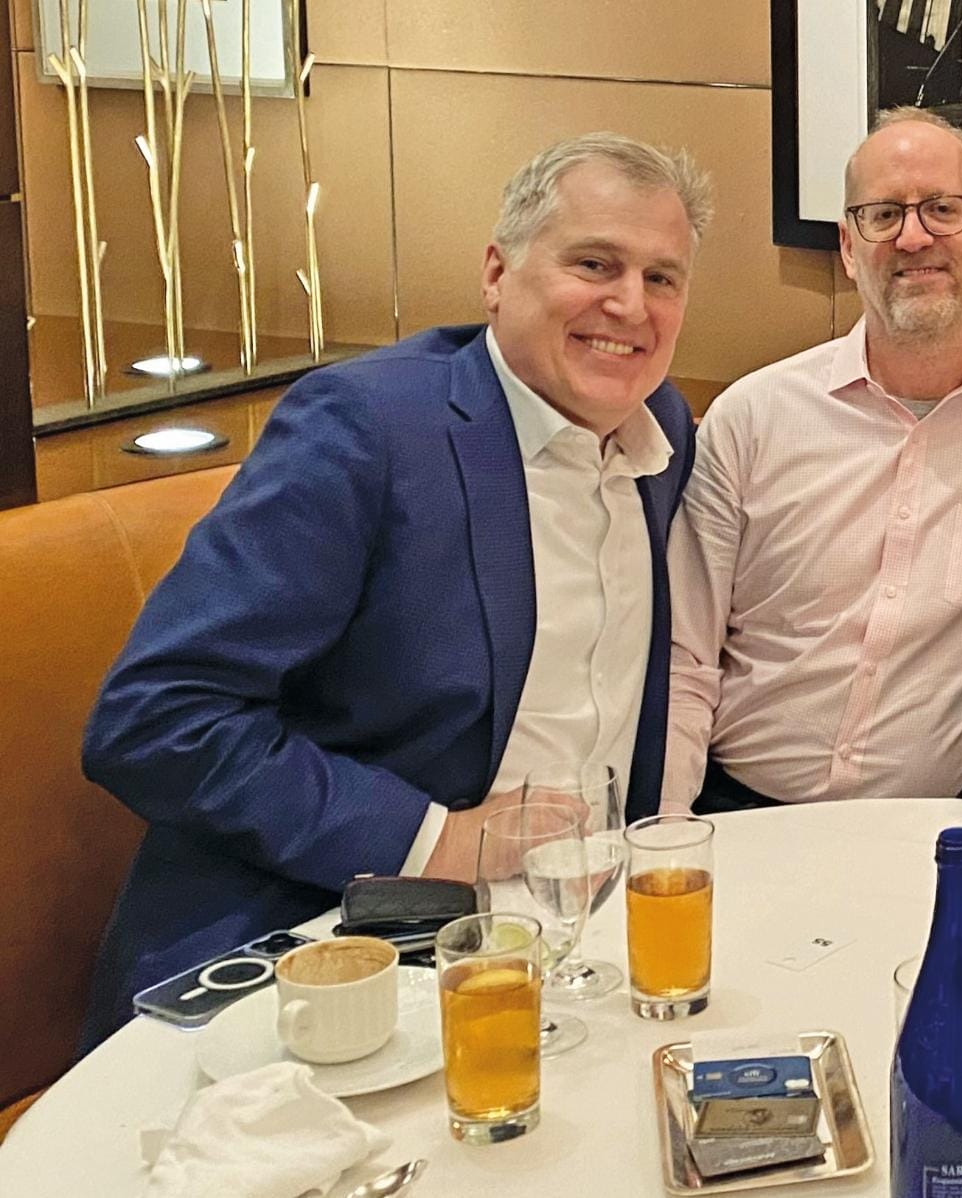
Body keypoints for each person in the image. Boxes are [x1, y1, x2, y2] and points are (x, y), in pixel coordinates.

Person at [76, 133, 710, 1049]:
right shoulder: (370, 430)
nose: (629, 305)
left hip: (570, 959)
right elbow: (155, 719)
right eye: (595, 263)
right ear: (498, 272)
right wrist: (432, 842)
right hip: (325, 955)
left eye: (663, 278)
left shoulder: (662, 432)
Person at [661, 108, 962, 810]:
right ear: (848, 246)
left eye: (943, 209)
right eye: (881, 215)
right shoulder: (752, 419)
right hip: (738, 811)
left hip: (945, 833)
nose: (913, 236)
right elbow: (685, 662)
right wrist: (668, 836)